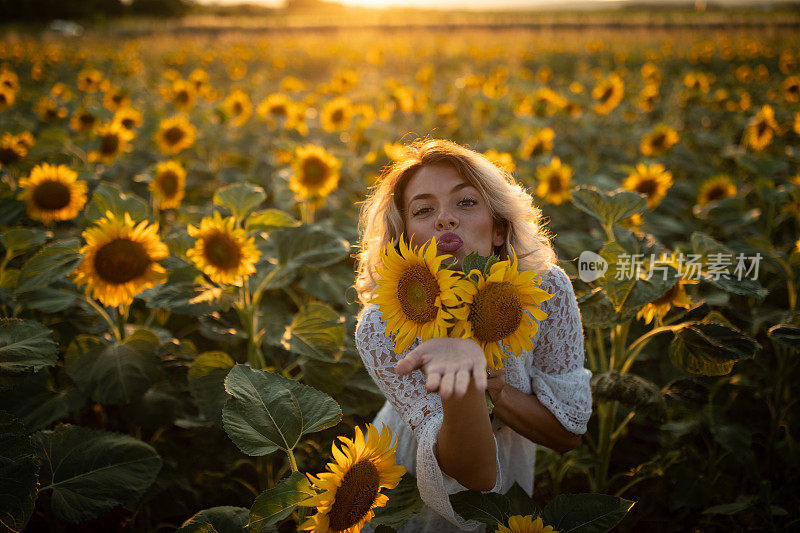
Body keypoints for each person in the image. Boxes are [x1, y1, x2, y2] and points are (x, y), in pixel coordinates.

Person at [354, 139, 592, 532]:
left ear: (499, 229)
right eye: (424, 210)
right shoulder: (383, 326)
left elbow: (568, 434)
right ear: (406, 239)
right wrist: (461, 376)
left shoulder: (544, 291)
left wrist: (497, 389)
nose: (444, 219)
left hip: (511, 462)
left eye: (465, 203)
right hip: (410, 475)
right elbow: (474, 477)